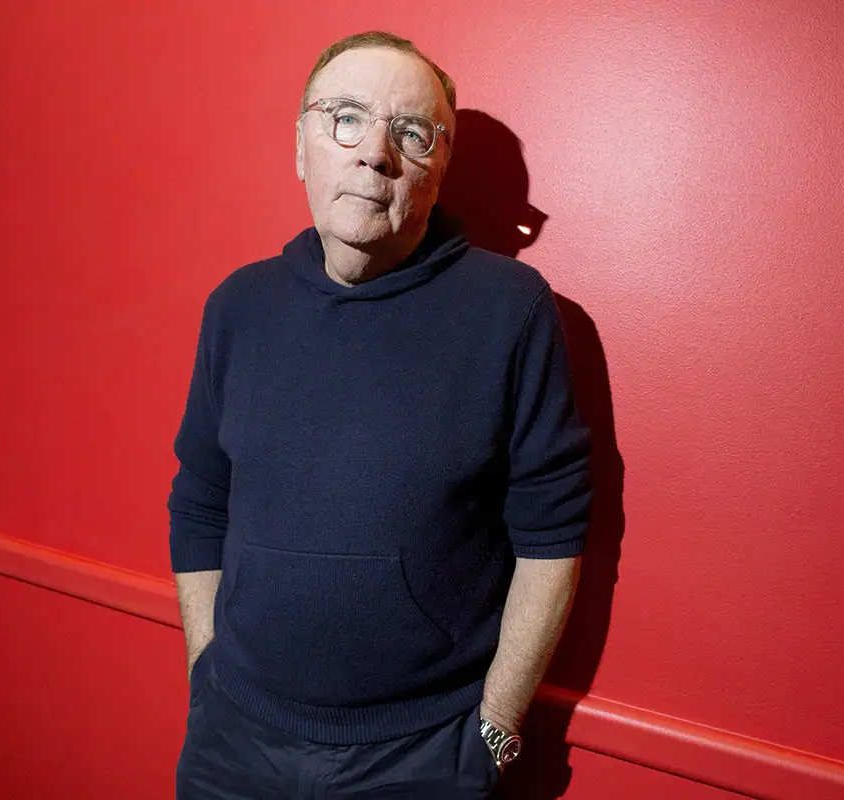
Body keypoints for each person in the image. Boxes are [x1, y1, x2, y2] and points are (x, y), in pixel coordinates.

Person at [168, 30, 591, 799]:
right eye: (347, 117)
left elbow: (553, 537)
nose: (375, 153)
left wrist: (492, 732)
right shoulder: (237, 306)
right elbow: (200, 501)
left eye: (412, 132)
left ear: (438, 171)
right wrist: (206, 674)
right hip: (232, 743)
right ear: (301, 147)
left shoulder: (511, 311)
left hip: (421, 758)